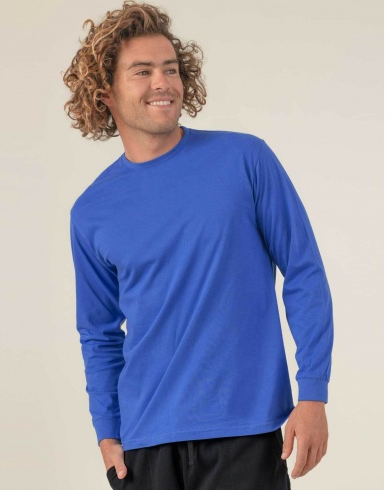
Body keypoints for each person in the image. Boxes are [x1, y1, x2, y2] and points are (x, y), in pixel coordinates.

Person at [63, 2, 334, 489]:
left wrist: (313, 392)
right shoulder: (91, 211)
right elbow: (98, 334)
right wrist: (107, 432)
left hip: (245, 432)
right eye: (142, 71)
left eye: (170, 69)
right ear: (105, 94)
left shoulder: (244, 159)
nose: (163, 83)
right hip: (144, 446)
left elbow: (303, 269)